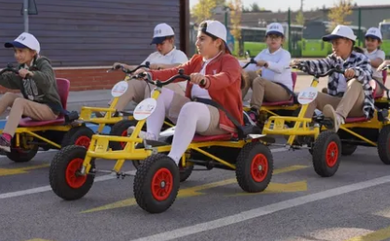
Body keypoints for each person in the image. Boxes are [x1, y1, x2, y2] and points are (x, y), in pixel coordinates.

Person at [139, 20, 243, 169]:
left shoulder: (230, 61)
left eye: (202, 39)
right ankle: (152, 139)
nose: (197, 43)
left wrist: (206, 80)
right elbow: (175, 72)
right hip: (196, 110)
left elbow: (225, 78)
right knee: (157, 92)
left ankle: (172, 161)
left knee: (190, 108)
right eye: (198, 38)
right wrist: (150, 74)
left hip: (221, 117)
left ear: (218, 42)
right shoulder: (197, 60)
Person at [0, 33, 62, 152]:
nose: (17, 55)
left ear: (33, 52)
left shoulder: (43, 63)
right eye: (15, 51)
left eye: (21, 51)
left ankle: (6, 139)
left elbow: (48, 79)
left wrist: (31, 74)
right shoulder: (22, 67)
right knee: (9, 96)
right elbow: (9, 80)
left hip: (50, 109)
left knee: (20, 102)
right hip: (34, 107)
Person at [294, 25, 374, 132]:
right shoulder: (333, 59)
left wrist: (354, 71)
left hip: (358, 106)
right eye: (332, 43)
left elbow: (367, 73)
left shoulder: (361, 58)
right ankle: (300, 130)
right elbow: (320, 65)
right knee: (313, 95)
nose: (333, 46)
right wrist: (301, 64)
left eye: (337, 43)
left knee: (356, 81)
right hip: (338, 102)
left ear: (349, 43)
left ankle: (338, 117)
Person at [111, 23, 188, 113]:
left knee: (153, 82)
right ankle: (112, 111)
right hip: (153, 90)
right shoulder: (154, 56)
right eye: (156, 44)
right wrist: (124, 66)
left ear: (171, 40)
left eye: (161, 43)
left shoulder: (179, 54)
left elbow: (181, 67)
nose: (158, 47)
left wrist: (161, 66)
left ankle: (146, 116)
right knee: (131, 82)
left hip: (176, 93)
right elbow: (140, 68)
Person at [241, 22, 293, 122]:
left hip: (283, 91)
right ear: (266, 39)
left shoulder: (285, 54)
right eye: (270, 37)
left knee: (259, 80)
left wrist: (266, 63)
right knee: (248, 74)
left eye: (277, 37)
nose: (273, 39)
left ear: (282, 40)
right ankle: (235, 104)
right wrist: (234, 64)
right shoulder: (263, 53)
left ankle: (254, 111)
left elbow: (280, 68)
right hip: (266, 88)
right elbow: (250, 67)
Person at [363, 27, 386, 98]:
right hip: (363, 78)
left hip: (377, 81)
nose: (369, 42)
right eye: (368, 40)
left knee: (370, 84)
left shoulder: (380, 53)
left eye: (372, 40)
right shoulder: (362, 52)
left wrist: (362, 59)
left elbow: (377, 63)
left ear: (378, 43)